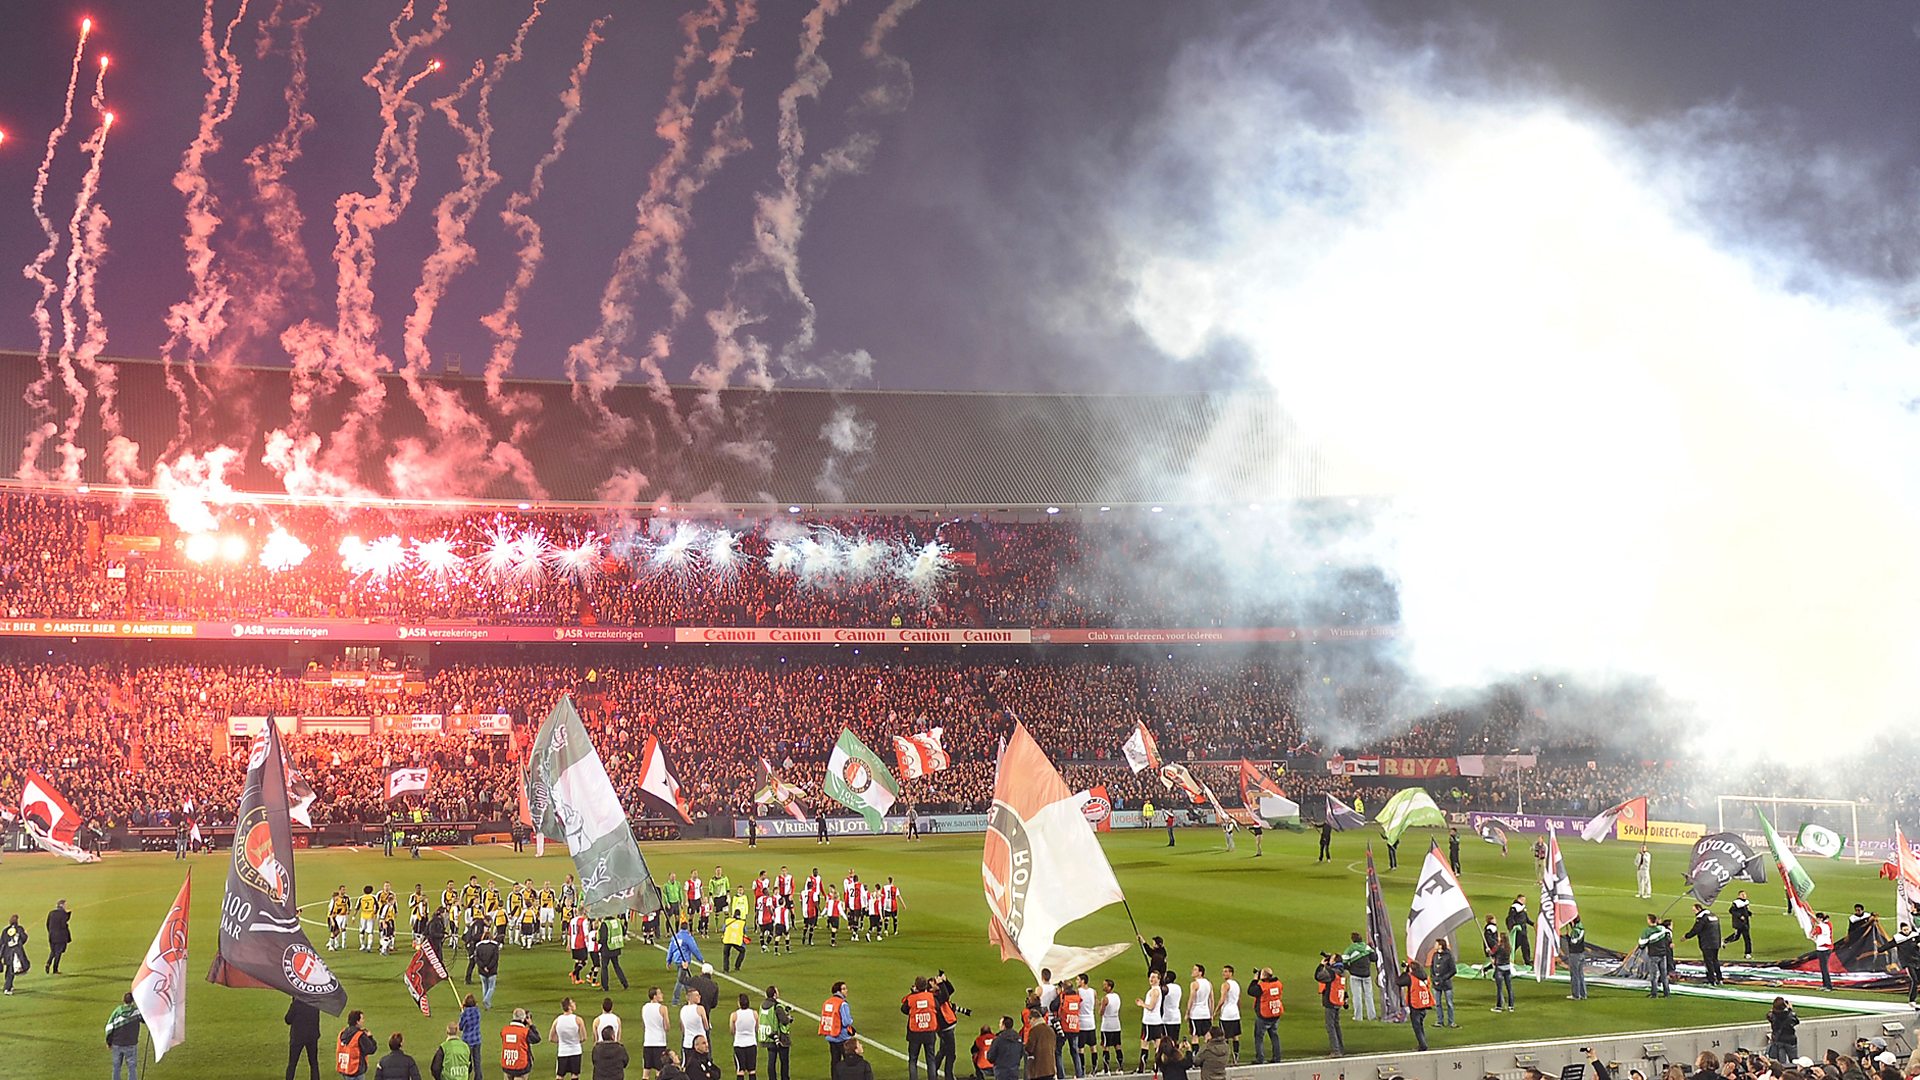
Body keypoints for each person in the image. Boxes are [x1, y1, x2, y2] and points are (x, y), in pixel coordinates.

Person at [903, 976, 940, 1080]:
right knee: (930, 1059)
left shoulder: (911, 998)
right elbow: (937, 1007)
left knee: (913, 1059)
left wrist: (912, 993)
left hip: (915, 1032)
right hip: (929, 1031)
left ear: (916, 986)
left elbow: (904, 1009)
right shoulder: (931, 997)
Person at [1247, 967, 1282, 1064]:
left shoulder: (1262, 987)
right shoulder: (1278, 984)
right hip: (1275, 1013)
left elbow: (1250, 991)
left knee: (1259, 1037)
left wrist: (1255, 979)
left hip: (1264, 1015)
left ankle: (1260, 1058)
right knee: (1274, 1036)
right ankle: (1277, 1057)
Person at [106, 991, 144, 1080]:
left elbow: (109, 1028)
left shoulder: (117, 1012)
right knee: (132, 1067)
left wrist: (109, 1042)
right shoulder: (136, 1012)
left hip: (117, 1044)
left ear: (123, 1000)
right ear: (133, 1001)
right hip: (131, 1044)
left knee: (116, 1067)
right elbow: (145, 1019)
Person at [1314, 953, 1345, 1057]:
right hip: (1338, 1000)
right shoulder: (1342, 972)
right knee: (1336, 1026)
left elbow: (1318, 977)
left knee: (1330, 1026)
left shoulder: (1332, 973)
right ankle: (1340, 1048)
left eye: (1331, 959)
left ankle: (1336, 1051)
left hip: (1331, 1001)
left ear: (1335, 961)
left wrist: (1321, 965)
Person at [759, 985, 792, 1080]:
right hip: (780, 1038)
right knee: (784, 1062)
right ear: (774, 994)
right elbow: (784, 1020)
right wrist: (789, 1018)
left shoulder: (762, 1005)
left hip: (768, 1036)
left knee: (771, 1061)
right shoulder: (777, 1006)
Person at [1397, 959, 1432, 1051]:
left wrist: (1405, 972)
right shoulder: (1424, 977)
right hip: (1424, 1005)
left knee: (1417, 1028)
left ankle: (1423, 1045)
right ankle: (1423, 1043)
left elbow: (1399, 982)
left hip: (1415, 1006)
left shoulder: (1411, 978)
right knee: (1420, 1026)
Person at [1341, 934, 1376, 1022]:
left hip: (1355, 975)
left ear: (1353, 940)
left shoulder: (1350, 949)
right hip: (1366, 975)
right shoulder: (1367, 947)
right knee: (1369, 996)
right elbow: (1374, 958)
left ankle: (1358, 1017)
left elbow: (1344, 963)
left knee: (1357, 997)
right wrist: (1373, 948)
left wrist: (1351, 969)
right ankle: (1372, 1016)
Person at [552, 998, 590, 1080]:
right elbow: (584, 1037)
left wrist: (562, 1041)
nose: (574, 1003)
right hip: (575, 1051)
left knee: (560, 1076)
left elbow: (551, 1038)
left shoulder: (557, 1020)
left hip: (563, 1052)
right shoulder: (578, 1020)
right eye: (572, 1002)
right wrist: (575, 1041)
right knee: (575, 1075)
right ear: (569, 1007)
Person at [1686, 903, 1723, 986]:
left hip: (1707, 943)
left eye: (1694, 910)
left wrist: (1687, 936)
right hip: (1716, 942)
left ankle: (1712, 980)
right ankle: (1719, 978)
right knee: (1715, 960)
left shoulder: (1702, 918)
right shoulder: (1713, 916)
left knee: (1708, 961)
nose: (1694, 912)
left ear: (1699, 909)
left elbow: (1696, 929)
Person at [821, 981, 856, 1067]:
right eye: (844, 989)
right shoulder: (842, 1004)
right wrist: (851, 1020)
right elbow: (846, 1022)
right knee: (849, 1061)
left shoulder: (827, 1002)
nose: (846, 991)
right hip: (842, 1037)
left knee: (835, 1061)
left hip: (831, 1036)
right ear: (838, 991)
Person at [286, 998, 323, 1080]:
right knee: (313, 1063)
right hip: (312, 1037)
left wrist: (293, 1004)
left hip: (298, 1037)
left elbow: (288, 1019)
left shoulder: (296, 1004)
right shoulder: (315, 1003)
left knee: (292, 1063)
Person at [501, 1008, 542, 1080]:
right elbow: (537, 1039)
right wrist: (531, 1025)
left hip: (507, 1064)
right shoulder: (525, 1032)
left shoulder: (504, 1030)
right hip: (521, 1066)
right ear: (524, 1019)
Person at [1024, 995, 1058, 1080]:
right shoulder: (1050, 1029)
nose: (1029, 1022)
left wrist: (1024, 1046)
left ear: (1034, 1019)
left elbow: (1030, 1048)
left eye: (1030, 1020)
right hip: (1050, 1068)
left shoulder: (1034, 1030)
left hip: (1039, 1070)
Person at [338, 1011, 380, 1080]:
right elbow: (372, 1049)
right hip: (356, 1070)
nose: (363, 1021)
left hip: (344, 1068)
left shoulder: (342, 1033)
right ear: (357, 1021)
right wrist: (370, 1037)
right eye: (362, 1019)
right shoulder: (360, 1035)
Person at [1639, 914, 1672, 998]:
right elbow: (1667, 933)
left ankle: (1654, 994)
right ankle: (1667, 993)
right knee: (1664, 975)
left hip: (1653, 955)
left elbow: (1641, 944)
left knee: (1653, 976)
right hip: (1663, 955)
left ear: (1649, 921)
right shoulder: (1662, 929)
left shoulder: (1647, 931)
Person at [728, 993, 759, 1080]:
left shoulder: (734, 1015)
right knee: (752, 1070)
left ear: (739, 1003)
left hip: (739, 1045)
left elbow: (732, 1030)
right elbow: (757, 1028)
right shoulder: (754, 1014)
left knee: (740, 1070)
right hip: (751, 1044)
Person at [1430, 940, 1457, 1027]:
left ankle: (1451, 1022)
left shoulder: (1448, 956)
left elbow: (1453, 970)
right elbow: (1432, 967)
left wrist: (1443, 979)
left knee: (1449, 1003)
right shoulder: (1435, 955)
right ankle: (1440, 1021)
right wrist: (1433, 978)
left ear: (1440, 946)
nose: (1434, 945)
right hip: (1436, 984)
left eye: (1436, 944)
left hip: (1446, 984)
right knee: (1438, 1004)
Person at [600, 914, 630, 992]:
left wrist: (598, 940)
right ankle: (625, 983)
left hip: (607, 948)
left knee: (604, 967)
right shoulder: (618, 922)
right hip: (615, 947)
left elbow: (603, 938)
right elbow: (623, 932)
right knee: (616, 966)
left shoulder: (605, 924)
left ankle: (605, 986)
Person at [474, 929, 502, 1010]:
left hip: (482, 970)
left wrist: (483, 967)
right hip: (492, 970)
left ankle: (487, 1005)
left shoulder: (478, 946)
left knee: (485, 987)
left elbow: (477, 958)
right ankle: (486, 1000)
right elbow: (495, 958)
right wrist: (489, 967)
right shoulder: (494, 946)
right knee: (491, 987)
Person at [459, 994, 486, 1080]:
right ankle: (478, 1078)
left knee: (466, 1061)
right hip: (477, 1040)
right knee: (477, 1062)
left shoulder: (465, 1014)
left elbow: (460, 1027)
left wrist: (462, 1014)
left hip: (467, 1041)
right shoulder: (477, 1011)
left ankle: (465, 1077)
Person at [1563, 915, 1590, 999]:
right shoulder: (1581, 928)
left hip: (1575, 955)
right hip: (1581, 954)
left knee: (1574, 975)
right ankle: (1583, 994)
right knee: (1580, 975)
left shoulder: (1575, 931)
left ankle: (1576, 995)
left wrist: (1568, 938)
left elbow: (1574, 942)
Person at [1766, 998, 1799, 1063]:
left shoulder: (1772, 1015)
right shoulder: (1790, 1015)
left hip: (1778, 1039)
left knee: (1781, 1062)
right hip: (1790, 1040)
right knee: (1794, 1060)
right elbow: (1796, 1021)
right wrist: (1790, 1009)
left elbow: (1769, 1015)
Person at [1894, 923, 1920, 1005]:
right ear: (1901, 930)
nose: (1906, 931)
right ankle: (1912, 1000)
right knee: (1914, 980)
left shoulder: (1915, 935)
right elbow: (1889, 944)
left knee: (1917, 980)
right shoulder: (1899, 938)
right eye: (1904, 930)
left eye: (1907, 929)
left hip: (1917, 961)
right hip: (1908, 962)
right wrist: (1880, 950)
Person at [0, 913, 25, 995]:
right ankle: (7, 988)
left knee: (9, 970)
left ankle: (9, 985)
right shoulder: (19, 929)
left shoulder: (5, 930)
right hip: (15, 954)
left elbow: (1, 942)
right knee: (11, 971)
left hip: (6, 953)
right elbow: (24, 938)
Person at [681, 989, 711, 1057]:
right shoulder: (700, 1008)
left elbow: (682, 1028)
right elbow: (706, 1026)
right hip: (700, 1045)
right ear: (690, 997)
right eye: (697, 995)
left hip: (687, 1043)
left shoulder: (683, 1009)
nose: (699, 996)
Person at [1505, 895, 1533, 966]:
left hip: (1523, 930)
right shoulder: (1515, 907)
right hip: (1518, 930)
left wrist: (1533, 924)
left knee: (1523, 946)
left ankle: (1527, 961)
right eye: (1523, 900)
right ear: (1519, 899)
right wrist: (1512, 926)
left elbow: (1526, 919)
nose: (1525, 901)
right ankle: (1506, 958)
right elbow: (1510, 918)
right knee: (1518, 945)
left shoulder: (1522, 907)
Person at [1490, 930, 1514, 1012]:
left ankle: (1499, 1007)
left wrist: (1488, 951)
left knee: (1499, 989)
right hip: (1507, 968)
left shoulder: (1498, 947)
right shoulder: (1509, 947)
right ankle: (1511, 1006)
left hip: (1499, 968)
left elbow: (1492, 953)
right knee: (1509, 988)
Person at [44, 899, 70, 975]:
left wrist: (50, 932)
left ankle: (48, 963)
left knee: (53, 951)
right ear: (62, 905)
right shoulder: (63, 914)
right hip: (60, 937)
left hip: (52, 936)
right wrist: (68, 915)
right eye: (65, 905)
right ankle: (55, 969)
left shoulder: (51, 913)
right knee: (58, 952)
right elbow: (63, 924)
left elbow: (47, 924)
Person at [1729, 890, 1755, 961]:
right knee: (1738, 937)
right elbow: (1731, 911)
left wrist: (1749, 913)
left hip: (1746, 922)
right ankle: (1725, 941)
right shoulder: (1736, 902)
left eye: (1744, 894)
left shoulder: (1746, 902)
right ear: (1739, 895)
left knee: (1746, 938)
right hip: (1739, 923)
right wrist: (1740, 916)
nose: (1744, 896)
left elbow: (1745, 910)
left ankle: (1747, 953)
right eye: (1742, 894)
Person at [1812, 913, 1836, 991]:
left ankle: (1828, 986)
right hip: (1825, 948)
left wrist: (1814, 927)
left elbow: (1813, 934)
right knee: (1823, 968)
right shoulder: (1827, 925)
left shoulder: (1821, 926)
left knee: (1824, 968)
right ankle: (1825, 985)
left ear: (1820, 919)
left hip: (1823, 949)